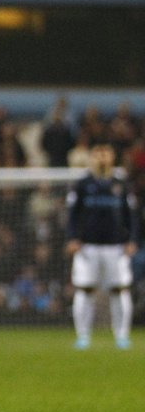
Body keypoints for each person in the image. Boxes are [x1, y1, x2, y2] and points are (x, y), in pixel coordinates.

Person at [66, 142, 140, 350]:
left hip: (116, 248)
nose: (101, 158)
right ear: (91, 158)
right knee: (84, 290)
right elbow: (72, 215)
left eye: (105, 154)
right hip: (87, 247)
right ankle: (83, 336)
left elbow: (132, 216)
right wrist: (72, 238)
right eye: (97, 154)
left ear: (112, 157)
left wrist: (133, 240)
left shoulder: (121, 185)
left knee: (120, 291)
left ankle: (122, 336)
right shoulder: (81, 185)